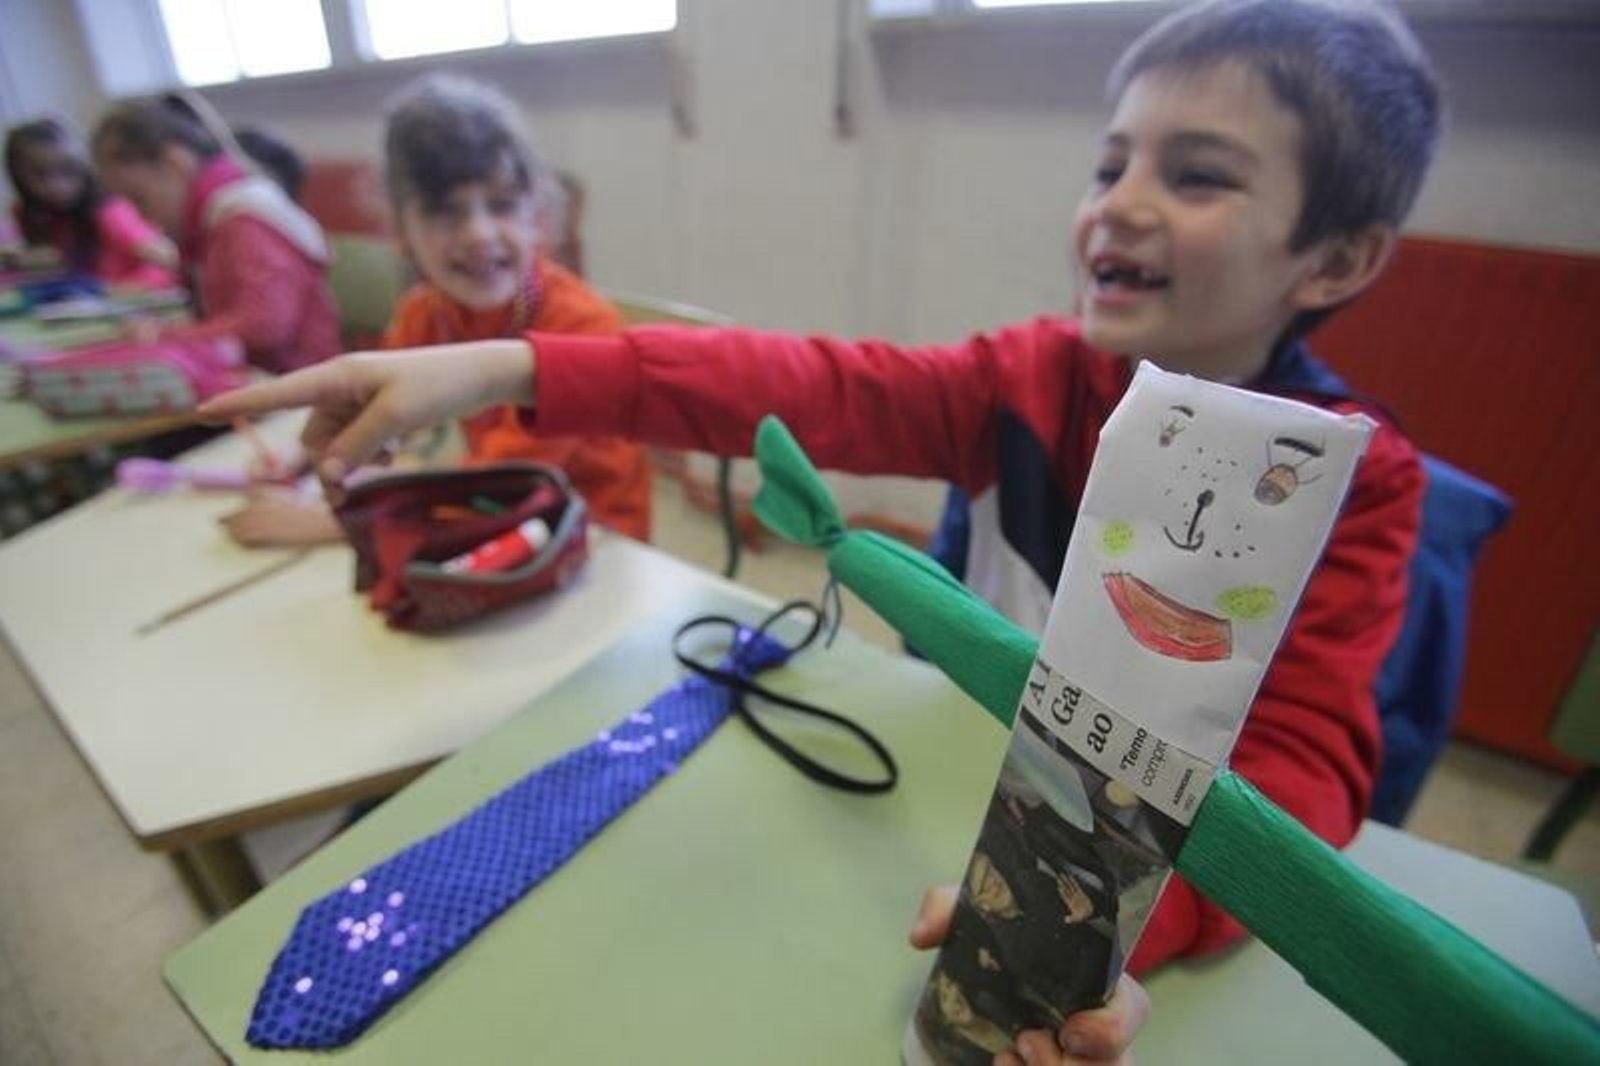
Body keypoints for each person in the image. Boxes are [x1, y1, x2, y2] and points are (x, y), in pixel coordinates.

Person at [203, 1, 1440, 1060]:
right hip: (953, 787)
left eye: (1197, 174)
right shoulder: (1027, 377)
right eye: (1109, 164)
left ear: (1334, 258)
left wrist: (1114, 928)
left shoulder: (1352, 482)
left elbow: (1303, 772)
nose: (1118, 205)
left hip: (1095, 889)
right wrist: (504, 365)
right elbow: (792, 379)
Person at [220, 74, 651, 546]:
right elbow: (376, 414)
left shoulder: (578, 325)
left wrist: (337, 525)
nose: (479, 234)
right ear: (401, 232)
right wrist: (307, 456)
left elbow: (504, 483)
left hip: (594, 539)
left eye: (502, 205)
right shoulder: (426, 311)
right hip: (493, 519)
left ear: (537, 217)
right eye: (445, 212)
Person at [90, 94, 340, 373]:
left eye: (140, 199)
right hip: (264, 382)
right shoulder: (214, 219)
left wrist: (165, 336)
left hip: (299, 391)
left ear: (175, 163)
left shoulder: (243, 217)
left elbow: (264, 326)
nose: (141, 216)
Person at [4, 117, 175, 287]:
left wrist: (125, 288)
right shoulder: (33, 215)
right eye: (40, 175)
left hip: (128, 300)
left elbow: (169, 261)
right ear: (20, 178)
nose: (57, 186)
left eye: (66, 170)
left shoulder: (109, 211)